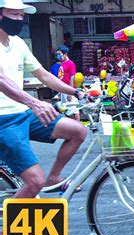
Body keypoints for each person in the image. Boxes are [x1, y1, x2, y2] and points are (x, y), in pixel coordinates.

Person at [0, 1, 87, 201]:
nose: (19, 20)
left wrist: (76, 91)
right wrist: (35, 103)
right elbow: (2, 80)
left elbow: (45, 76)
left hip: (24, 114)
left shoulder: (18, 43)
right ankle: (6, 230)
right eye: (13, 15)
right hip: (4, 121)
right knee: (34, 182)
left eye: (21, 15)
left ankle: (54, 177)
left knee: (78, 131)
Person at [56, 44, 80, 120]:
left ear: (65, 54)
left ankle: (77, 127)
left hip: (68, 90)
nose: (58, 56)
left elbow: (72, 77)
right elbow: (61, 78)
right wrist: (59, 91)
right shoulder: (63, 64)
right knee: (66, 109)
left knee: (73, 109)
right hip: (63, 90)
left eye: (59, 54)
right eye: (57, 54)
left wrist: (71, 91)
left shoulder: (70, 64)